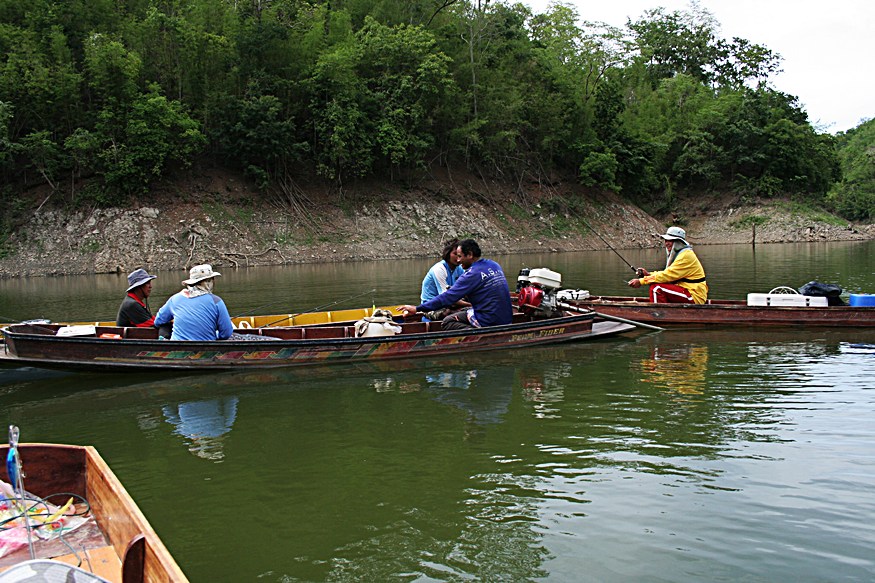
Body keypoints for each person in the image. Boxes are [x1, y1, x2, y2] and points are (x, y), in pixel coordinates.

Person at [400, 239, 513, 330]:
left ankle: (476, 334)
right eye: (456, 256)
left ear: (469, 255)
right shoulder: (494, 265)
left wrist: (417, 308)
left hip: (489, 322)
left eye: (460, 256)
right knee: (463, 310)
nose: (458, 260)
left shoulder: (471, 274)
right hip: (507, 318)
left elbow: (447, 297)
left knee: (448, 321)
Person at [628, 226, 708, 304]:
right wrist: (649, 274)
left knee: (656, 288)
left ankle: (658, 315)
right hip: (686, 290)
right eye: (665, 240)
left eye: (670, 241)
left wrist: (642, 281)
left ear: (678, 242)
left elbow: (667, 276)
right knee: (656, 284)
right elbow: (667, 273)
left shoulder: (685, 256)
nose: (666, 243)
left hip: (695, 296)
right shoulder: (680, 254)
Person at [154, 264, 234, 340]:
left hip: (177, 348)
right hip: (206, 348)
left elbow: (158, 321)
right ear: (209, 282)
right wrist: (215, 334)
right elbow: (226, 334)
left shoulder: (175, 299)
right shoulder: (216, 301)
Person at [420, 238, 468, 321]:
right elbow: (446, 298)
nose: (458, 258)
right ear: (447, 253)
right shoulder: (439, 269)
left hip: (449, 303)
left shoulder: (459, 268)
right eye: (455, 254)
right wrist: (470, 305)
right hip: (431, 307)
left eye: (460, 255)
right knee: (449, 312)